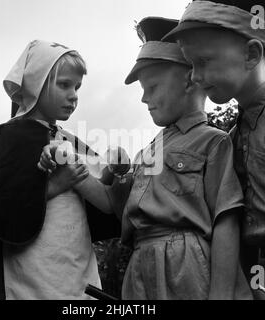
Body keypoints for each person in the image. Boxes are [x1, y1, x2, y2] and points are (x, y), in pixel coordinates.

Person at [39, 17, 252, 299]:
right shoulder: (149, 150)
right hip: (140, 265)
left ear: (189, 81)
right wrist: (67, 160)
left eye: (151, 88)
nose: (143, 99)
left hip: (185, 268)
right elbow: (110, 202)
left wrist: (221, 295)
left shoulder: (214, 141)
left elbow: (226, 220)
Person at [0, 40, 120, 300]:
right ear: (36, 84)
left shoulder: (70, 140)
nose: (74, 95)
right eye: (64, 85)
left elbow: (103, 199)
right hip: (32, 265)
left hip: (75, 260)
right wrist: (56, 185)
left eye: (77, 87)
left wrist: (112, 170)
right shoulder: (9, 137)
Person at [163, 0, 265, 298]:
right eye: (191, 64)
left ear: (251, 54)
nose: (194, 76)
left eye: (204, 61)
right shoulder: (232, 136)